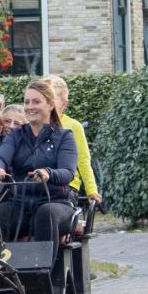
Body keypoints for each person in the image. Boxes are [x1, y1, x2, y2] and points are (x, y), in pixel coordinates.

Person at [0, 78, 77, 263]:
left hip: (56, 202)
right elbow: (0, 157)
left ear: (51, 104)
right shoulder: (16, 134)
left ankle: (45, 273)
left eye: (36, 102)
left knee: (46, 214)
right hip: (20, 202)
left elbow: (68, 173)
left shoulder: (65, 137)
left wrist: (48, 173)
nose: (30, 107)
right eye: (27, 102)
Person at [46, 75, 102, 206]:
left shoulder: (73, 126)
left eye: (51, 99)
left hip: (67, 186)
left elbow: (83, 160)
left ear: (64, 104)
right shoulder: (34, 124)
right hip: (40, 184)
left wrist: (91, 190)